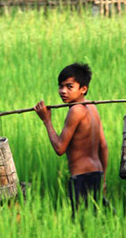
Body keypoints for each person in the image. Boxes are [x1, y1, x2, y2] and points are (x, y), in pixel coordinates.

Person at [34, 63, 108, 218]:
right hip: (97, 174)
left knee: (80, 224)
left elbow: (60, 148)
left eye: (69, 87)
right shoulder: (92, 108)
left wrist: (46, 120)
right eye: (60, 86)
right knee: (97, 220)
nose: (62, 91)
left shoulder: (76, 111)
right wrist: (104, 179)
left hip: (81, 178)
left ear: (83, 89)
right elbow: (103, 146)